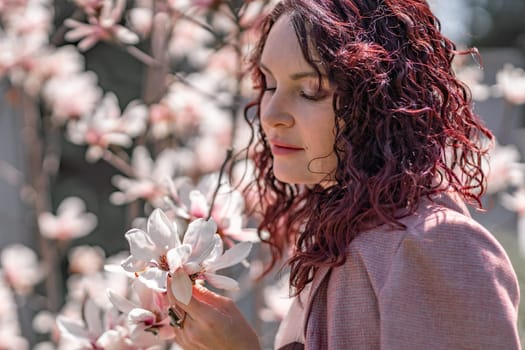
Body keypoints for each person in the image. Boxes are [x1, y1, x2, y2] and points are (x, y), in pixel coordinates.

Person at [167, 0, 521, 349]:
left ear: (380, 101)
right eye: (270, 84)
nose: (270, 113)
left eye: (310, 91)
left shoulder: (433, 244)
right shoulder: (343, 240)